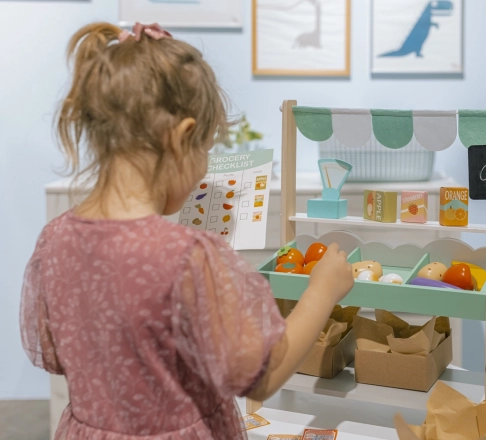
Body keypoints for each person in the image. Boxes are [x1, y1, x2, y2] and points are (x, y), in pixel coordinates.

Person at [20, 22, 354, 440]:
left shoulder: (55, 239)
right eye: (206, 149)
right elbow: (263, 374)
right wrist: (322, 292)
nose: (203, 169)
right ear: (182, 138)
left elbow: (57, 353)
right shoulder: (189, 254)